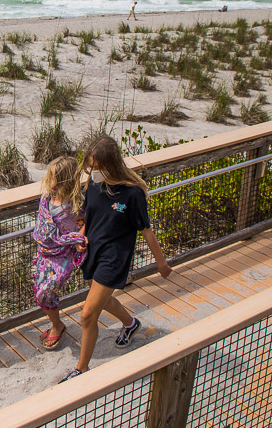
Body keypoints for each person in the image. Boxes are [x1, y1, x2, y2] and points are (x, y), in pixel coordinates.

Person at [60, 136, 172, 382]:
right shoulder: (92, 184)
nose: (93, 172)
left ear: (111, 165)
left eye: (97, 167)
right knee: (104, 301)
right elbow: (90, 216)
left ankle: (81, 369)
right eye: (91, 167)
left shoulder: (132, 195)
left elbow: (146, 230)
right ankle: (131, 324)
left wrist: (161, 262)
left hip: (115, 257)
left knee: (88, 314)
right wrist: (81, 234)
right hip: (93, 252)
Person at [32, 156, 88, 350]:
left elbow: (84, 223)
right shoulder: (46, 198)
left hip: (63, 254)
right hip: (45, 253)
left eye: (58, 179)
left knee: (47, 290)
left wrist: (79, 239)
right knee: (41, 294)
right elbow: (43, 221)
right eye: (51, 178)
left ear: (67, 181)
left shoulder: (76, 205)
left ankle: (56, 325)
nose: (52, 183)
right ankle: (57, 324)